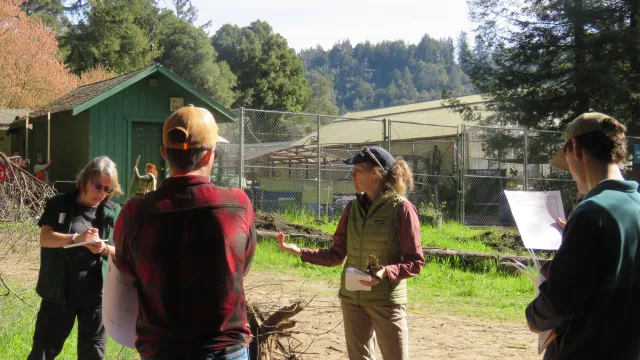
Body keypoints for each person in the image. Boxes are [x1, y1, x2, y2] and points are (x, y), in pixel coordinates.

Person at [113, 105, 257, 360]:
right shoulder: (238, 205)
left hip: (162, 349)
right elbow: (241, 268)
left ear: (164, 155)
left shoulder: (135, 212)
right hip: (225, 348)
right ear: (209, 156)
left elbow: (126, 271)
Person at [277, 146, 425, 360]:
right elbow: (336, 255)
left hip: (386, 302)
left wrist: (386, 272)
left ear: (375, 173)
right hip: (352, 300)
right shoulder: (351, 208)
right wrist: (299, 251)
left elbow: (416, 262)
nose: (352, 174)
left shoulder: (402, 209)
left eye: (357, 169)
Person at [526, 112, 640, 359]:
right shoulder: (635, 205)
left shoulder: (591, 212)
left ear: (575, 148)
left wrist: (534, 316)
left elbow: (560, 302)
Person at [28, 156, 123, 360]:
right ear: (84, 181)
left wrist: (104, 249)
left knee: (93, 353)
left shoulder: (113, 212)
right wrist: (76, 238)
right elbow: (45, 238)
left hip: (96, 296)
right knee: (43, 350)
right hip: (59, 293)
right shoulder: (59, 203)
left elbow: (123, 253)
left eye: (108, 189)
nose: (101, 194)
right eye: (97, 186)